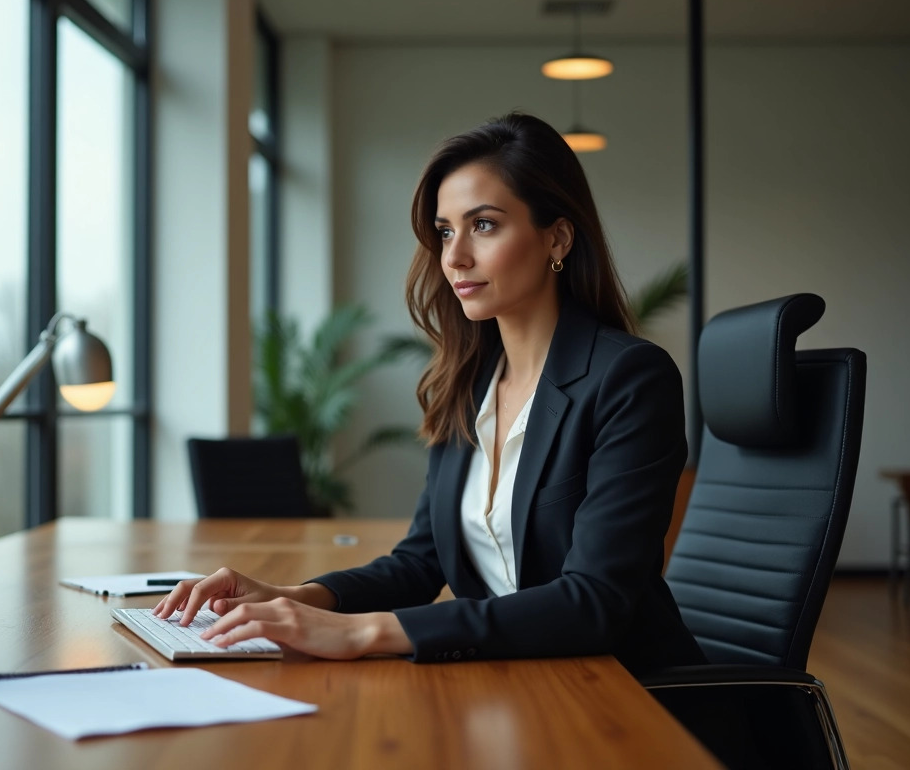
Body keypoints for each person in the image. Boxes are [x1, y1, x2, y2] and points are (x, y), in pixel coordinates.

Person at [155, 112, 706, 675]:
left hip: (628, 693)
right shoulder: (468, 383)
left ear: (556, 238)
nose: (455, 256)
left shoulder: (628, 378)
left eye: (484, 225)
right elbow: (421, 561)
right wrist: (293, 597)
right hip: (517, 678)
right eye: (445, 231)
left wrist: (361, 632)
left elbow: (595, 601)